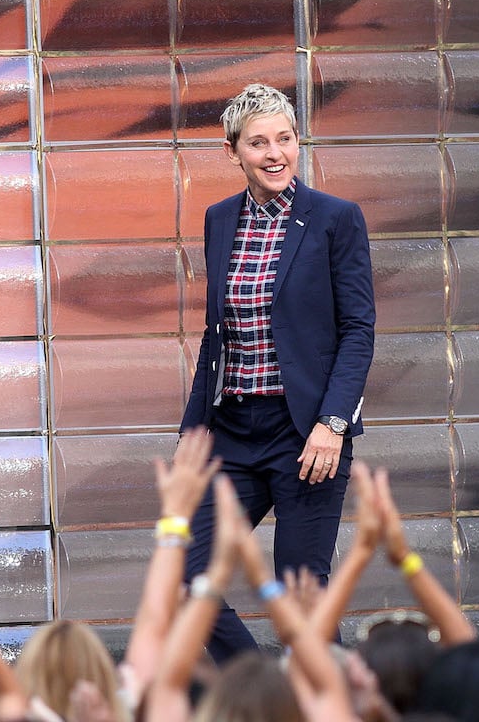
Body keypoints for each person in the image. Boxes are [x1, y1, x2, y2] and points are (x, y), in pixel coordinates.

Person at [179, 82, 376, 662]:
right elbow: (216, 336)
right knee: (188, 575)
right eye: (258, 142)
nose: (274, 154)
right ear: (232, 151)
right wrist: (193, 433)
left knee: (302, 599)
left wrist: (333, 424)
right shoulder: (220, 220)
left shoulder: (335, 218)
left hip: (306, 434)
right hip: (233, 431)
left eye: (284, 139)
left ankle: (323, 697)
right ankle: (259, 691)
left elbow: (358, 330)